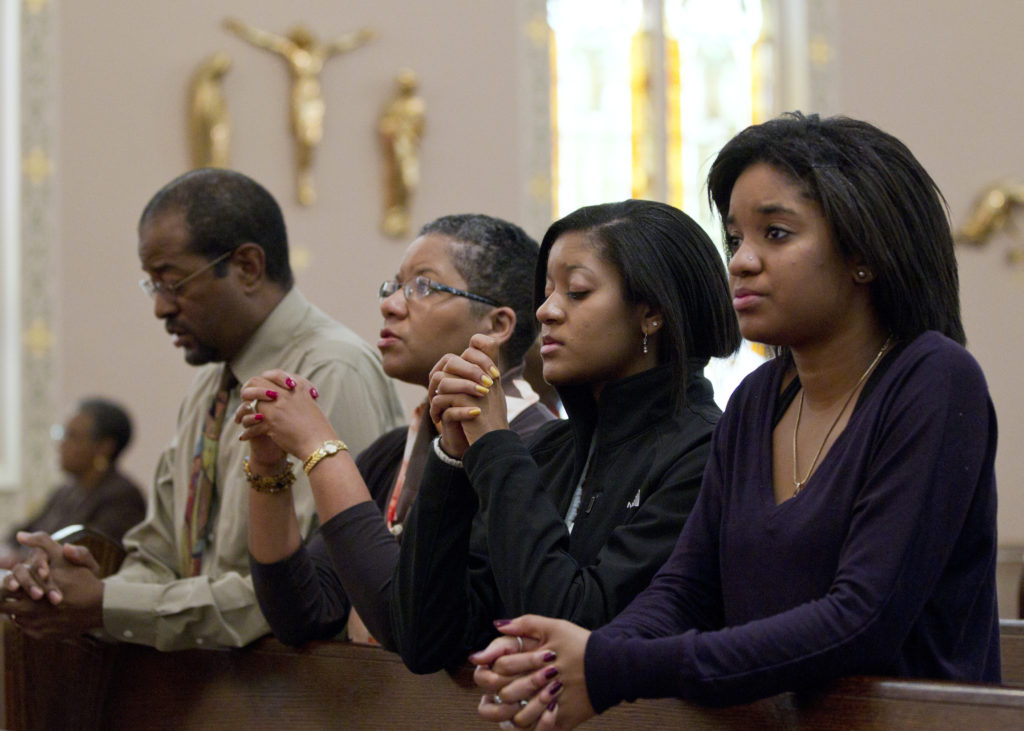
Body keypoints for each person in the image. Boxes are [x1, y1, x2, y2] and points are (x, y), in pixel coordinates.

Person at [472, 113, 999, 730]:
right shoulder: (757, 401)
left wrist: (614, 664)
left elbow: (861, 620)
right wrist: (579, 657)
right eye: (735, 239)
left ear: (863, 254)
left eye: (775, 234)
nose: (742, 262)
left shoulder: (932, 380)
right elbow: (685, 589)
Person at [0, 168, 403, 650]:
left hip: (302, 695)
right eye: (152, 287)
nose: (160, 308)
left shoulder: (333, 372)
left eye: (173, 283)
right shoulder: (209, 386)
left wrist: (108, 604)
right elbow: (159, 556)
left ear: (248, 267)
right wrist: (72, 591)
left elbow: (311, 591)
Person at [386, 199, 741, 674]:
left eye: (576, 291)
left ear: (651, 312)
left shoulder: (706, 456)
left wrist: (495, 444)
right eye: (547, 291)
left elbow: (574, 627)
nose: (547, 312)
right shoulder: (547, 450)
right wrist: (453, 456)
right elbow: (426, 639)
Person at [241, 214, 553, 646]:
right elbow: (303, 614)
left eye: (423, 286)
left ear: (497, 326)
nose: (390, 304)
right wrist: (268, 466)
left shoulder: (539, 451)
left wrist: (320, 446)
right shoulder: (390, 454)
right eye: (394, 286)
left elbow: (407, 624)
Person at [223, 17, 377, 206]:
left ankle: (307, 177)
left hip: (315, 100)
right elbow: (266, 41)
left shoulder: (318, 54)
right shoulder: (292, 53)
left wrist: (361, 36)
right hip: (300, 99)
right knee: (302, 137)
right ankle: (302, 179)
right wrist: (241, 29)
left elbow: (340, 45)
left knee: (312, 138)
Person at [1, 398, 144, 568]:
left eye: (71, 436)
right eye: (61, 433)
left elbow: (83, 554)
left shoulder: (122, 497)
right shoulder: (64, 491)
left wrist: (21, 558)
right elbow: (19, 534)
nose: (61, 444)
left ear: (104, 447)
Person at [378, 69, 426, 237]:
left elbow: (420, 128)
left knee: (409, 180)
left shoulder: (417, 106)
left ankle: (404, 214)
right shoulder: (394, 106)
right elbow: (385, 125)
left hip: (408, 149)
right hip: (397, 148)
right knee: (395, 179)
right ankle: (394, 214)